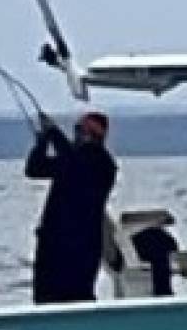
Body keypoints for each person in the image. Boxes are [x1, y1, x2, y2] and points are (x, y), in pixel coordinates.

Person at [24, 110, 118, 304]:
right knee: (45, 297)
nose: (74, 135)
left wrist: (53, 132)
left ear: (89, 134)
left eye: (78, 130)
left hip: (80, 248)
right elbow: (35, 169)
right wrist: (42, 142)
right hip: (53, 245)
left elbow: (76, 165)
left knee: (77, 297)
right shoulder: (71, 161)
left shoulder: (101, 163)